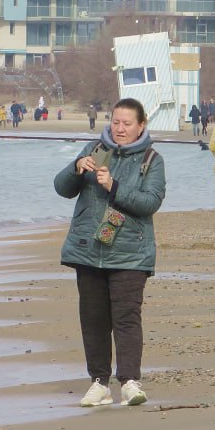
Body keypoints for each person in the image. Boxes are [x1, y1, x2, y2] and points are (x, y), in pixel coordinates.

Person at [54, 98, 166, 408]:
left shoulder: (152, 159)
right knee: (93, 320)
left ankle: (129, 382)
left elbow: (150, 202)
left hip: (131, 253)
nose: (120, 128)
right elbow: (61, 188)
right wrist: (76, 169)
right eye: (116, 122)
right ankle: (99, 383)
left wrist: (114, 186)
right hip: (88, 251)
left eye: (127, 123)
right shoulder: (94, 149)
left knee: (126, 318)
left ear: (141, 126)